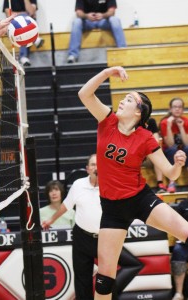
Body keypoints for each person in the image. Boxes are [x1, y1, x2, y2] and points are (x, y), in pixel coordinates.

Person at [77, 66, 188, 300]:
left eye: (128, 100)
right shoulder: (107, 121)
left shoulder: (145, 137)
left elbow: (171, 173)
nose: (122, 101)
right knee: (105, 279)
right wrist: (108, 72)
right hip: (112, 209)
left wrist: (177, 163)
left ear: (138, 112)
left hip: (140, 199)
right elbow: (84, 94)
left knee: (186, 231)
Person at [42, 155, 117, 300]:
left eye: (99, 164)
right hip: (82, 236)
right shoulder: (78, 185)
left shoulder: (111, 184)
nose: (96, 167)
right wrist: (51, 220)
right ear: (87, 169)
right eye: (93, 165)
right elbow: (66, 205)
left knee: (108, 277)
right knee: (82, 280)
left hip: (105, 238)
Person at [3, 0, 44, 67]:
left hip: (28, 24)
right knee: (23, 17)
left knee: (25, 20)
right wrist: (22, 14)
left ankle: (23, 56)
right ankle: (35, 39)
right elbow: (8, 14)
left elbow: (31, 11)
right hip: (15, 24)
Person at [160, 97, 188, 193]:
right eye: (175, 107)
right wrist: (169, 126)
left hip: (183, 151)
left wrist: (181, 127)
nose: (177, 109)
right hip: (169, 153)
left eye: (180, 107)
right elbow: (170, 144)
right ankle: (172, 181)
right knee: (173, 149)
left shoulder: (185, 121)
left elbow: (186, 143)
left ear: (182, 109)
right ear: (170, 109)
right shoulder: (164, 122)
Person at [171, 199, 188, 300]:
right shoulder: (183, 204)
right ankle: (179, 293)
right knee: (177, 251)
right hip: (185, 241)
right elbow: (175, 222)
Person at [145, 117, 167, 193]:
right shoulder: (131, 123)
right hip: (134, 154)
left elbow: (156, 139)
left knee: (157, 149)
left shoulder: (150, 121)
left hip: (147, 154)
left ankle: (160, 183)